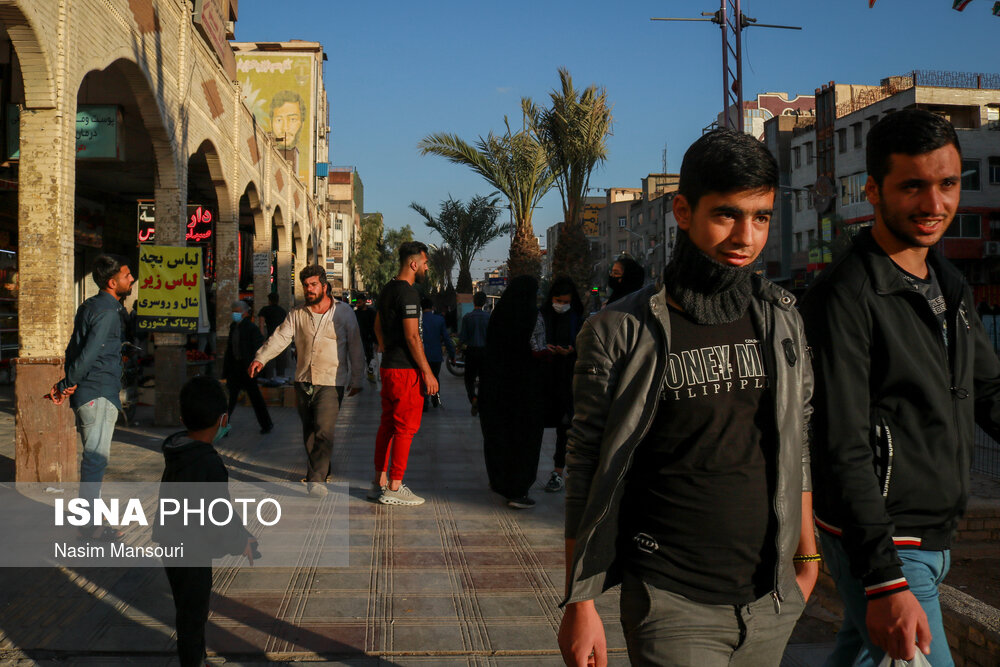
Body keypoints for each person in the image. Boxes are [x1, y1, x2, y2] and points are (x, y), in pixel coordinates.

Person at [558, 129, 817, 666]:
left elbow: (798, 439)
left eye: (762, 217)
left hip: (769, 602)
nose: (746, 236)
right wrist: (580, 601)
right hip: (672, 602)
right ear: (682, 211)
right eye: (727, 215)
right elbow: (585, 465)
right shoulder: (621, 330)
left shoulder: (781, 318)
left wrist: (807, 560)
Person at [800, 109, 1000, 667]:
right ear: (872, 190)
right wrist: (885, 579)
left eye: (948, 184)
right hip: (887, 540)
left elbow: (987, 389)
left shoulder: (947, 280)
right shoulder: (845, 296)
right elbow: (842, 443)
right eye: (913, 186)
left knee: (864, 656)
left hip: (932, 536)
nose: (935, 205)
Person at [153, 376, 258, 667]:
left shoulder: (177, 450)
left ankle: (193, 657)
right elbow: (219, 516)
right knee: (193, 616)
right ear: (223, 419)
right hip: (192, 551)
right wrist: (242, 541)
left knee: (185, 610)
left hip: (169, 545)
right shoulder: (208, 462)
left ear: (182, 417)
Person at [250, 265, 364, 497]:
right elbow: (280, 337)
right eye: (305, 286)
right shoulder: (297, 314)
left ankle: (316, 480)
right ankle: (323, 468)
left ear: (325, 286)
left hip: (332, 380)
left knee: (324, 428)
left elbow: (355, 345)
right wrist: (261, 358)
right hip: (303, 379)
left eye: (313, 285)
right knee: (309, 430)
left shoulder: (343, 313)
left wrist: (357, 377)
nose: (309, 290)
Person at [49, 254, 135, 539]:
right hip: (98, 391)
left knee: (93, 459)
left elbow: (74, 349)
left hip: (89, 389)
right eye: (126, 276)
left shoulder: (90, 305)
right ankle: (89, 525)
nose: (131, 279)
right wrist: (67, 382)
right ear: (112, 282)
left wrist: (71, 382)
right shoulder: (109, 312)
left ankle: (89, 520)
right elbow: (90, 352)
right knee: (95, 460)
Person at [370, 241, 437, 506]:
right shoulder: (409, 294)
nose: (426, 267)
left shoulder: (387, 289)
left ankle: (379, 482)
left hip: (389, 367)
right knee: (405, 429)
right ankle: (395, 487)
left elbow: (377, 324)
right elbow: (412, 336)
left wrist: (385, 346)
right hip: (405, 372)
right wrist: (428, 373)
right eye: (425, 262)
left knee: (387, 425)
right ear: (414, 263)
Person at [478, 275, 545, 510]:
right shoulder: (533, 315)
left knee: (499, 434)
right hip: (524, 387)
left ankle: (499, 481)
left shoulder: (498, 314)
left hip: (496, 385)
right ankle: (518, 490)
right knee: (524, 438)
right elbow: (537, 349)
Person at [537, 277, 584, 494]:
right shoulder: (543, 316)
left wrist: (572, 350)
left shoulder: (577, 318)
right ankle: (527, 471)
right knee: (537, 424)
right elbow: (534, 341)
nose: (561, 305)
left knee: (564, 428)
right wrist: (544, 348)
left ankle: (558, 471)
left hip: (567, 379)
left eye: (565, 301)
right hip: (544, 378)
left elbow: (583, 344)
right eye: (558, 300)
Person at [223, 300, 272, 434]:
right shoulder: (234, 327)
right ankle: (223, 427)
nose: (234, 314)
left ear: (244, 313)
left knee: (255, 398)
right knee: (229, 400)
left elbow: (257, 347)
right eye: (233, 312)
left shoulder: (251, 328)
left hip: (247, 368)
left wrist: (254, 366)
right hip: (235, 367)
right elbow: (230, 348)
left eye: (237, 312)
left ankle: (266, 424)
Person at [420, 297, 455, 411]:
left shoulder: (417, 320)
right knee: (435, 376)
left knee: (423, 377)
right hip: (436, 355)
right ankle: (435, 397)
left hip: (422, 355)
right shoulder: (439, 320)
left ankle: (424, 402)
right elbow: (446, 338)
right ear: (432, 307)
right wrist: (452, 354)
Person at [459, 292, 490, 415]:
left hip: (471, 351)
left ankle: (473, 398)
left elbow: (463, 338)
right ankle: (482, 402)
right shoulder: (489, 317)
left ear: (474, 301)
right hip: (485, 352)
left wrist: (458, 347)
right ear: (484, 302)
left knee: (469, 379)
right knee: (484, 379)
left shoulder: (467, 317)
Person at [256, 292, 288, 379]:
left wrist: (261, 337)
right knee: (281, 359)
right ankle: (281, 377)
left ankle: (269, 378)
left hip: (270, 336)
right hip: (281, 337)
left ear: (269, 300)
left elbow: (261, 324)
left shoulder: (265, 310)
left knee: (268, 358)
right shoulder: (282, 311)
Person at [354, 299, 377, 367]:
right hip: (358, 338)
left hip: (369, 339)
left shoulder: (371, 312)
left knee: (369, 357)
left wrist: (375, 340)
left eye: (359, 302)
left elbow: (375, 326)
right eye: (357, 303)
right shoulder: (355, 313)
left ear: (364, 302)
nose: (358, 304)